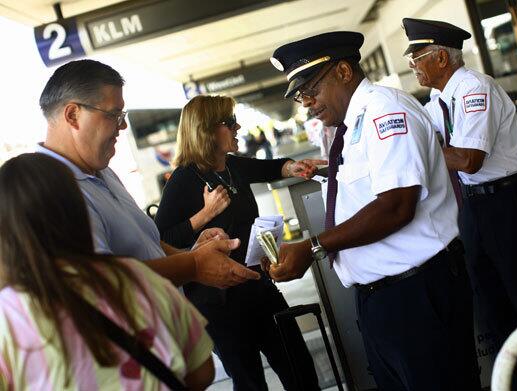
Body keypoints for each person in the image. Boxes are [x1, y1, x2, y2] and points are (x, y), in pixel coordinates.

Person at [268, 31, 480, 390]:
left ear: (344, 72)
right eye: (301, 95)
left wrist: (314, 246)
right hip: (382, 300)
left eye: (311, 90)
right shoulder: (353, 126)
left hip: (417, 295)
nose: (307, 103)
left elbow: (396, 206)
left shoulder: (386, 111)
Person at [402, 18, 517, 390]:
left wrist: (421, 151)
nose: (414, 66)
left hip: (508, 202)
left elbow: (469, 159)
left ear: (440, 57)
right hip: (476, 206)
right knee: (494, 308)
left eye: (417, 57)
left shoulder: (473, 89)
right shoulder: (438, 99)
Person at [37, 59, 260, 289]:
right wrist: (193, 264)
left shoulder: (103, 172)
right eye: (114, 115)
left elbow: (146, 244)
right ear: (73, 115)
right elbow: (103, 280)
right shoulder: (50, 192)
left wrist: (192, 253)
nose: (122, 127)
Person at [0, 153, 214, 390]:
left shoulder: (7, 317)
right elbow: (203, 371)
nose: (121, 126)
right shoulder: (136, 276)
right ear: (77, 211)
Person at [154, 95, 324, 391]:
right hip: (217, 302)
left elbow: (269, 168)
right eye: (229, 122)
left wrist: (293, 167)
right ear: (206, 130)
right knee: (250, 383)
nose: (238, 126)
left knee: (299, 367)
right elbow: (160, 239)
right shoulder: (183, 179)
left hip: (256, 284)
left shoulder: (231, 166)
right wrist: (204, 215)